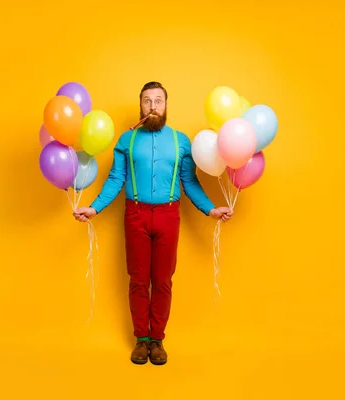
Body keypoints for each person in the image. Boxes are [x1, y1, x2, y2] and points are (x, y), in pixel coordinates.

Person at [73, 81, 233, 365]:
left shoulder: (181, 141)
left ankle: (157, 339)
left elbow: (189, 181)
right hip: (135, 214)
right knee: (137, 279)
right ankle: (141, 339)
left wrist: (211, 209)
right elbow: (115, 180)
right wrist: (94, 208)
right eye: (147, 101)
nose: (153, 106)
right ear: (141, 106)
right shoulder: (127, 141)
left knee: (162, 280)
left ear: (167, 105)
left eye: (158, 100)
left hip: (169, 215)